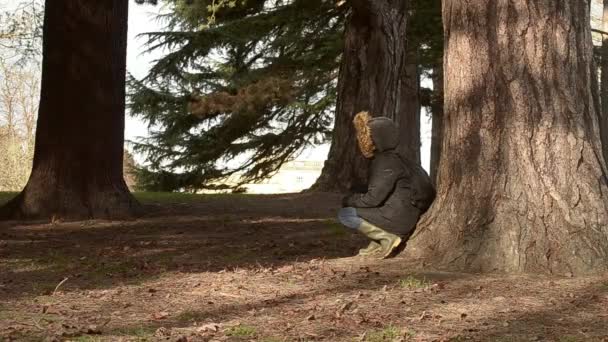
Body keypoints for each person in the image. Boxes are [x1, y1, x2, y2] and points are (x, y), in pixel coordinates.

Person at [338, 111, 436, 259]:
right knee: (366, 210)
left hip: (398, 220)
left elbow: (373, 199)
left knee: (346, 214)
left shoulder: (384, 162)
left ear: (376, 139)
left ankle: (387, 238)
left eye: (368, 137)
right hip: (407, 215)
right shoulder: (402, 159)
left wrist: (349, 200)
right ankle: (379, 241)